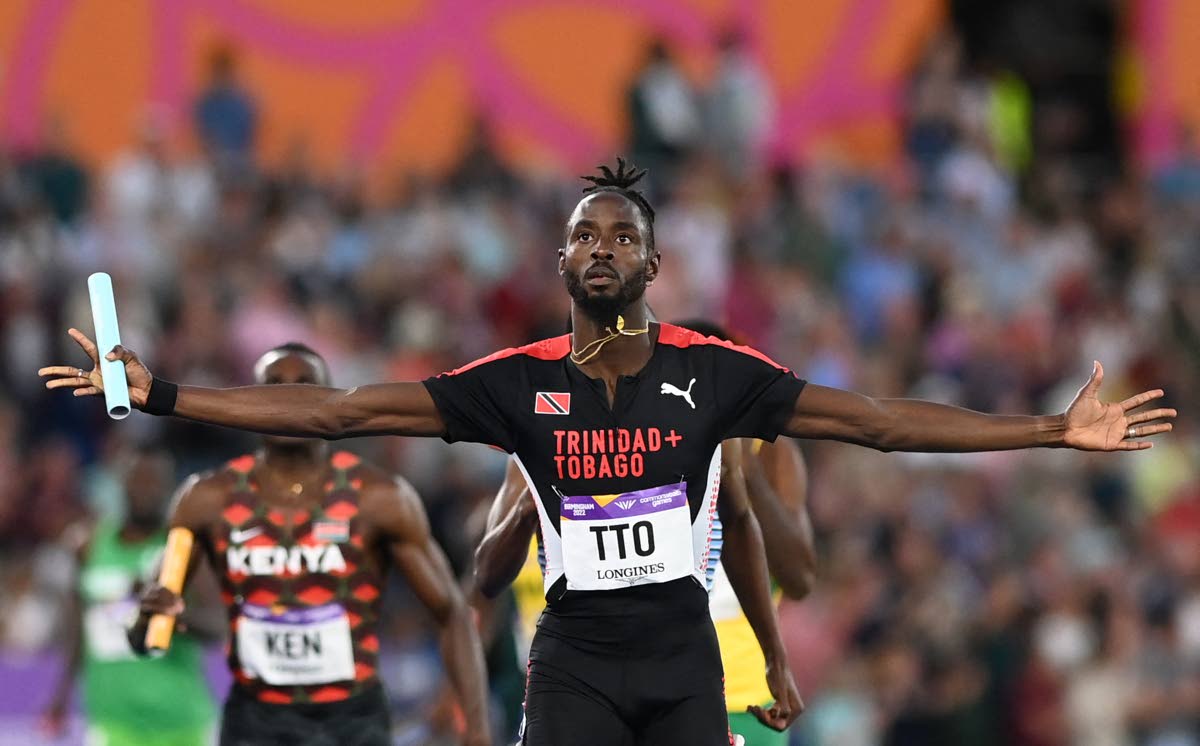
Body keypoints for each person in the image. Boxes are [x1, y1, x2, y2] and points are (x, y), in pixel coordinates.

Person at [42, 158, 1175, 744]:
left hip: (683, 653)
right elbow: (340, 415)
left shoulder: (714, 375)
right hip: (574, 655)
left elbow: (877, 417)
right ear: (559, 259)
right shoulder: (515, 382)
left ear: (653, 264)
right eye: (582, 231)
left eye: (621, 233)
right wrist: (171, 389)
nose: (600, 244)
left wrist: (1046, 428)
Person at [126, 343, 491, 746]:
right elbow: (146, 641)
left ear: (325, 397)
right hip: (254, 721)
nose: (288, 397)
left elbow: (452, 614)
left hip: (353, 721)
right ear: (252, 399)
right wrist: (148, 619)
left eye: (303, 386)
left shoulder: (379, 497)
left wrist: (476, 731)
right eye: (273, 386)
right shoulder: (207, 499)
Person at [475, 317, 817, 745]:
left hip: (734, 697)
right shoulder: (605, 441)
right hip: (588, 686)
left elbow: (799, 578)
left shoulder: (766, 450)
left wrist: (740, 471)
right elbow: (483, 578)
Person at [42, 447, 218, 746]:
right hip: (112, 721)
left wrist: (172, 612)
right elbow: (78, 627)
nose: (145, 489)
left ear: (169, 489)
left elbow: (218, 626)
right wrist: (61, 695)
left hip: (182, 722)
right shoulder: (88, 544)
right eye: (138, 479)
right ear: (122, 482)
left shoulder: (183, 550)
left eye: (154, 481)